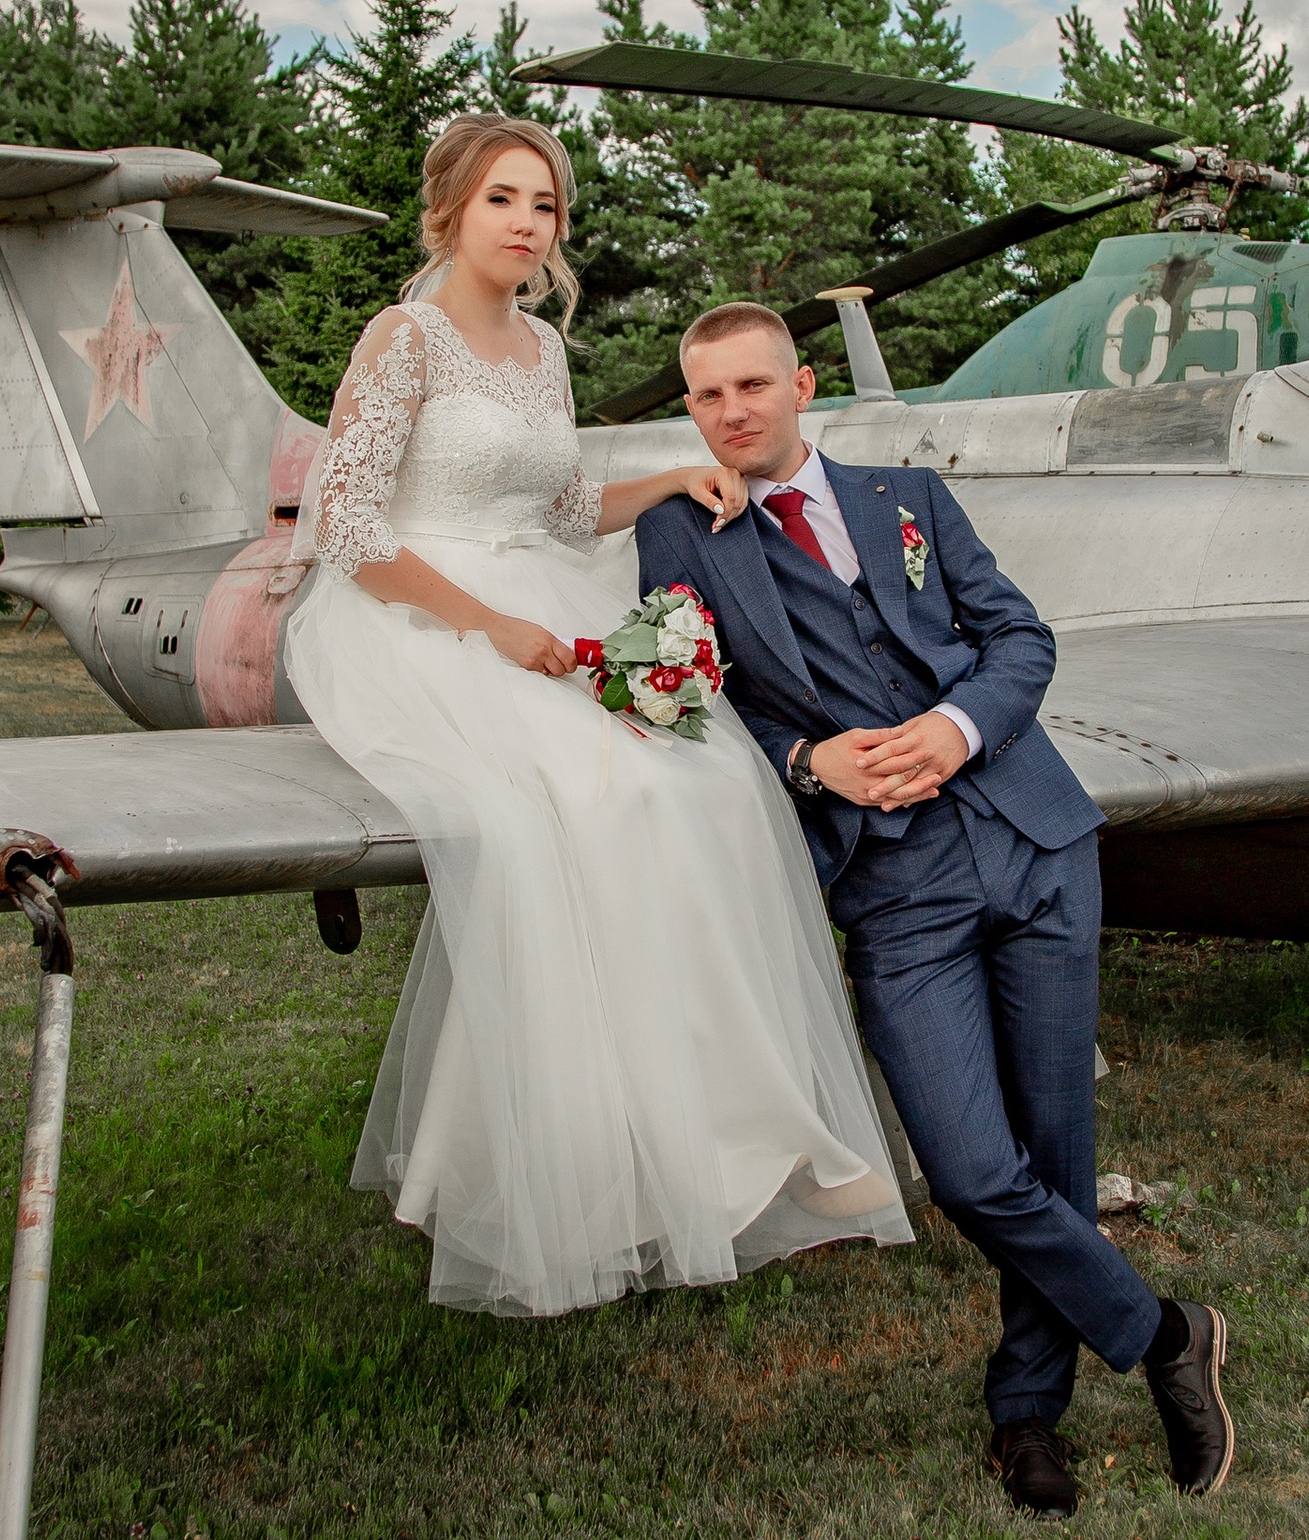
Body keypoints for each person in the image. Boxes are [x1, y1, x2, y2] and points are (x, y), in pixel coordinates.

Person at [272, 118, 910, 1319]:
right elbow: (345, 528)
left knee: (714, 783)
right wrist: (483, 626)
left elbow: (563, 508)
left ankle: (741, 1136)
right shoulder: (401, 337)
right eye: (505, 198)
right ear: (453, 206)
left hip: (543, 595)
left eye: (548, 206)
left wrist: (669, 475)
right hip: (413, 616)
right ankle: (587, 1163)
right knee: (595, 797)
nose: (527, 223)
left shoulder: (542, 349)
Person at [636, 304, 1234, 1516]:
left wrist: (957, 728)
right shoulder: (677, 535)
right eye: (707, 397)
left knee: (1055, 1156)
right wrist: (812, 759)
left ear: (800, 385)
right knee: (968, 1169)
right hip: (892, 882)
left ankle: (1027, 1420)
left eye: (752, 386)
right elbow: (690, 699)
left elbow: (1019, 635)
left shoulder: (907, 494)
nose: (733, 413)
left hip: (1036, 844)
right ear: (690, 409)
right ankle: (1167, 1331)